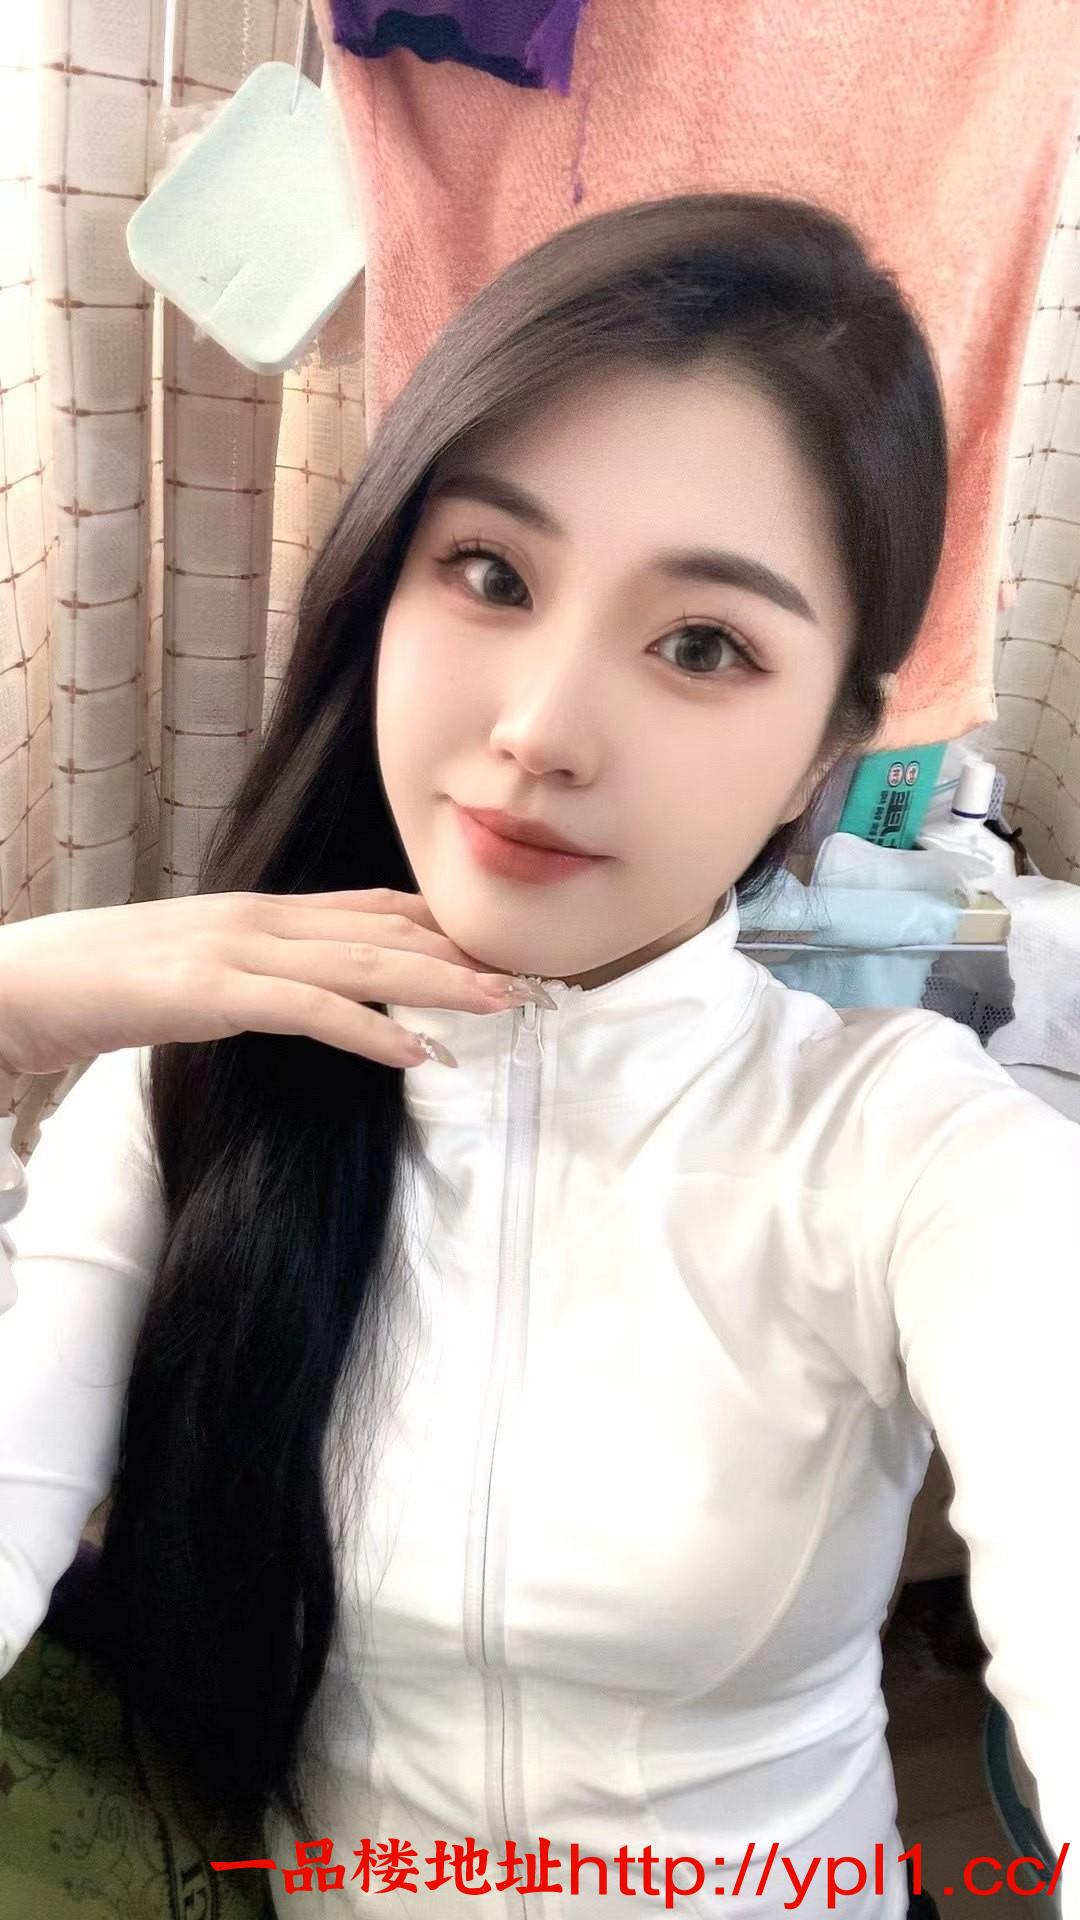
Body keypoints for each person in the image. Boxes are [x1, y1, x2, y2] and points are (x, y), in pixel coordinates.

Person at [0, 193, 1075, 1920]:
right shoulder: (183, 1090)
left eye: (703, 645)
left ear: (827, 750)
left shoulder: (913, 1155)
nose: (541, 730)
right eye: (492, 573)